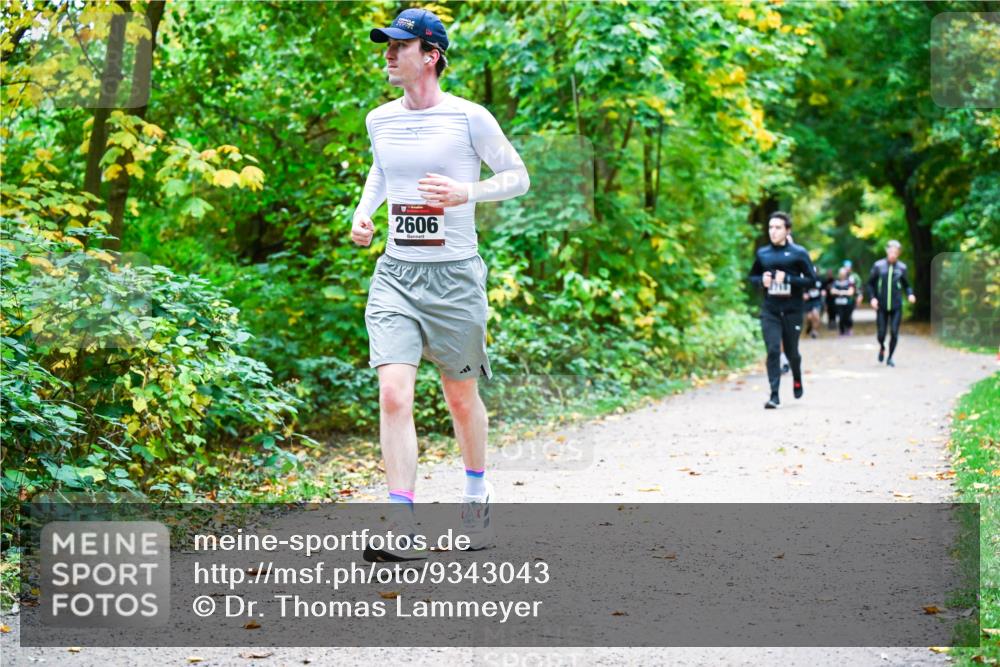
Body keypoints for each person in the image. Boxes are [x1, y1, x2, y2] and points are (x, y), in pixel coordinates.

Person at [351, 8, 530, 558]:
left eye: (399, 45)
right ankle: (402, 527)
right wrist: (363, 212)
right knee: (392, 392)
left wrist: (464, 193)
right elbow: (382, 169)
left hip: (454, 277)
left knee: (459, 396)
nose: (388, 52)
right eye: (386, 44)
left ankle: (476, 490)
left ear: (430, 56)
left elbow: (517, 177)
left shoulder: (469, 118)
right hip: (396, 274)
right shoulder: (379, 120)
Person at [748, 212, 819, 409]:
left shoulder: (798, 253)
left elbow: (812, 280)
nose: (773, 231)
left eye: (778, 227)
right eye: (770, 227)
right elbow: (752, 277)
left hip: (792, 310)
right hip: (770, 310)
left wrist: (788, 279)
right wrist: (761, 281)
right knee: (772, 350)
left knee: (792, 352)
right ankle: (774, 394)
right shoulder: (763, 254)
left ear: (787, 230)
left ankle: (797, 376)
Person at [867, 240, 916, 367]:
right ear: (887, 251)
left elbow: (907, 285)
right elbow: (870, 284)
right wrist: (872, 298)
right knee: (881, 333)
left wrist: (910, 294)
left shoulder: (902, 267)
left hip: (896, 306)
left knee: (894, 332)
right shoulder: (878, 266)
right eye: (891, 251)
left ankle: (890, 357)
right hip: (881, 306)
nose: (893, 254)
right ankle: (882, 346)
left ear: (899, 253)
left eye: (896, 252)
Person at [830, 266, 856, 336]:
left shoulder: (849, 281)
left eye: (843, 273)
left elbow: (851, 292)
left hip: (847, 303)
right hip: (838, 303)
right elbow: (832, 291)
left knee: (847, 317)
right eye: (841, 273)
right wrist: (843, 292)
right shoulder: (836, 282)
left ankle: (849, 328)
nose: (842, 275)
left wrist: (839, 292)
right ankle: (842, 331)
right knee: (840, 317)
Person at [803, 273, 824, 339]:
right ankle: (809, 327)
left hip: (817, 301)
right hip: (808, 302)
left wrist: (823, 292)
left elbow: (823, 289)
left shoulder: (819, 280)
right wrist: (804, 295)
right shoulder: (805, 280)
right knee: (809, 318)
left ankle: (814, 331)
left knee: (816, 315)